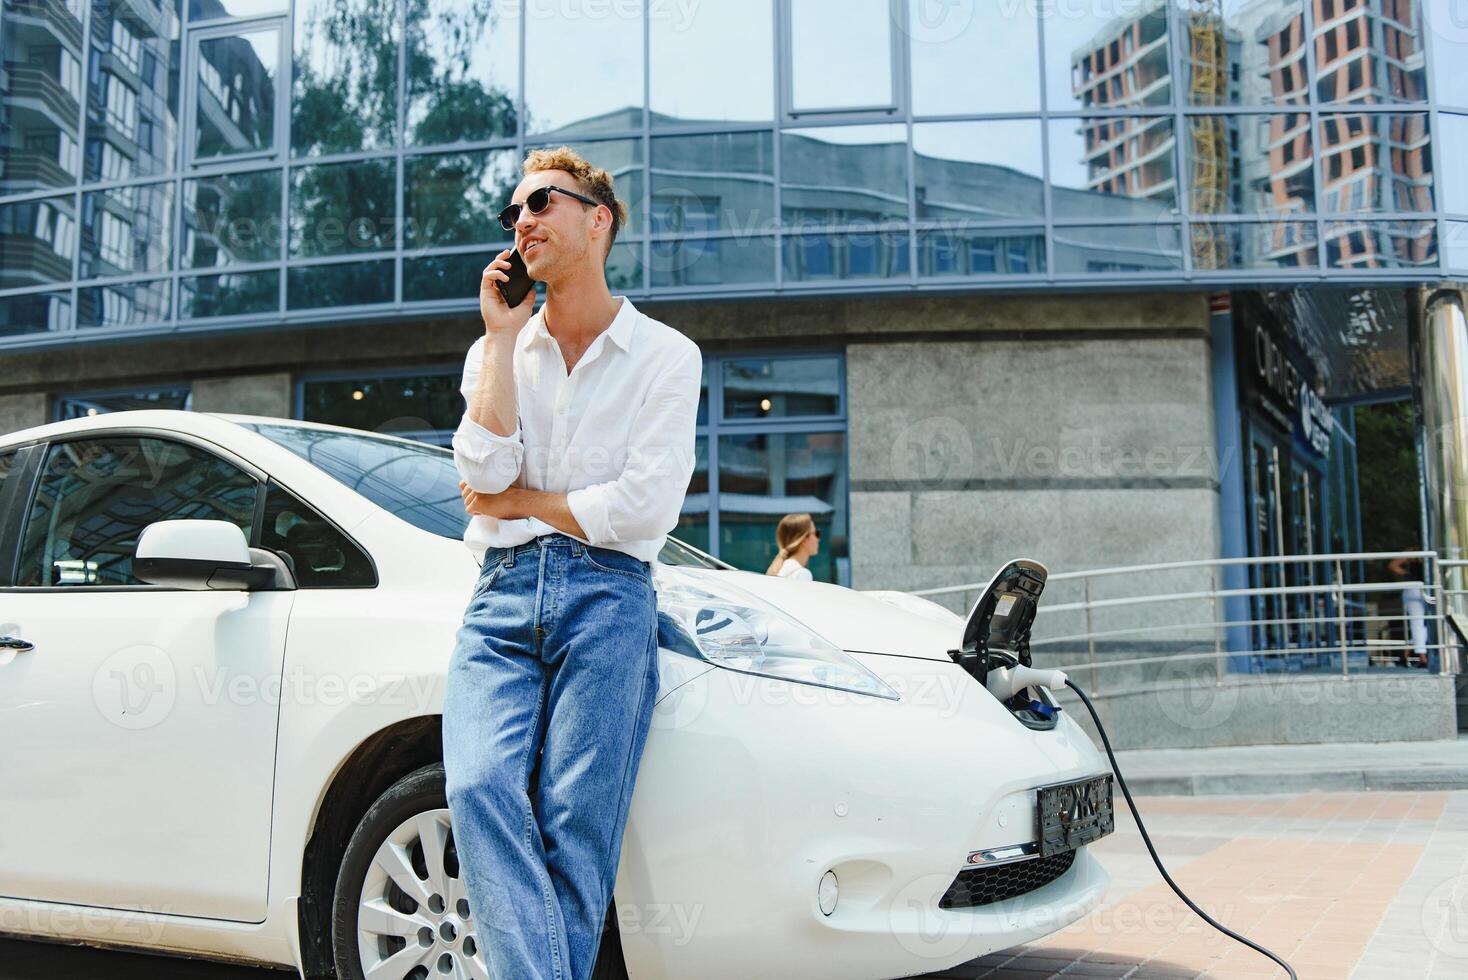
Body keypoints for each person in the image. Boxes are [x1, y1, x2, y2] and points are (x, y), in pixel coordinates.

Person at [442, 146, 702, 980]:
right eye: (512, 213)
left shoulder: (668, 355)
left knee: (575, 825)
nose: (521, 223)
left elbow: (643, 508)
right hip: (502, 594)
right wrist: (501, 334)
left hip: (610, 594)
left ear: (599, 219)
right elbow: (481, 474)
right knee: (478, 788)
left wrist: (523, 502)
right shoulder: (497, 350)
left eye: (540, 203)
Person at [765, 512, 819, 581]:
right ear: (804, 539)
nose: (818, 539)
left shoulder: (781, 568)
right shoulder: (802, 574)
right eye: (816, 533)